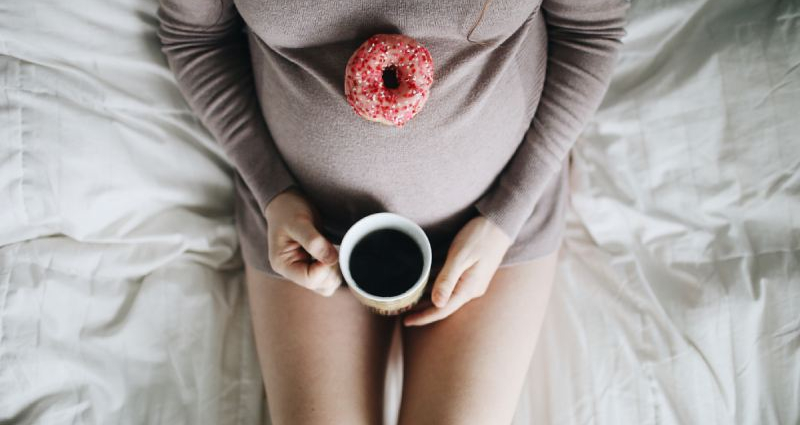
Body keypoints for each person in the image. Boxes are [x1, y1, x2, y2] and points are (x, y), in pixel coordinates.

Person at [157, 0, 627, 423]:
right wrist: (272, 191)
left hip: (495, 225)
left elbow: (590, 30)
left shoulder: (505, 216)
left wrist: (506, 216)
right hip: (305, 232)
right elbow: (194, 36)